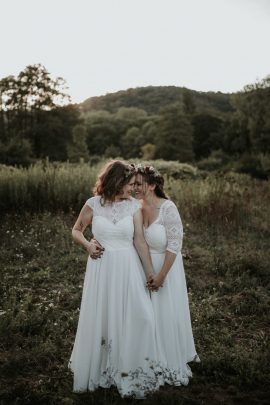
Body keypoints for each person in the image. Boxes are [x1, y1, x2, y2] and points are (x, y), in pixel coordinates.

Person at [68, 160, 161, 399]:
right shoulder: (93, 204)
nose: (133, 188)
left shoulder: (134, 207)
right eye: (129, 184)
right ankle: (103, 367)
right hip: (102, 267)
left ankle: (130, 366)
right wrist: (88, 245)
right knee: (104, 317)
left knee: (141, 316)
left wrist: (151, 271)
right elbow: (76, 230)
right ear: (116, 181)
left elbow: (139, 241)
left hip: (128, 267)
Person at [134, 164, 200, 386]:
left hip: (166, 268)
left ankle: (167, 355)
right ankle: (145, 356)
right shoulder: (134, 206)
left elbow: (174, 245)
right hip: (141, 267)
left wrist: (161, 275)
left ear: (152, 185)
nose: (134, 187)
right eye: (132, 183)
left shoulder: (168, 208)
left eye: (139, 184)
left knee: (163, 313)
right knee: (145, 315)